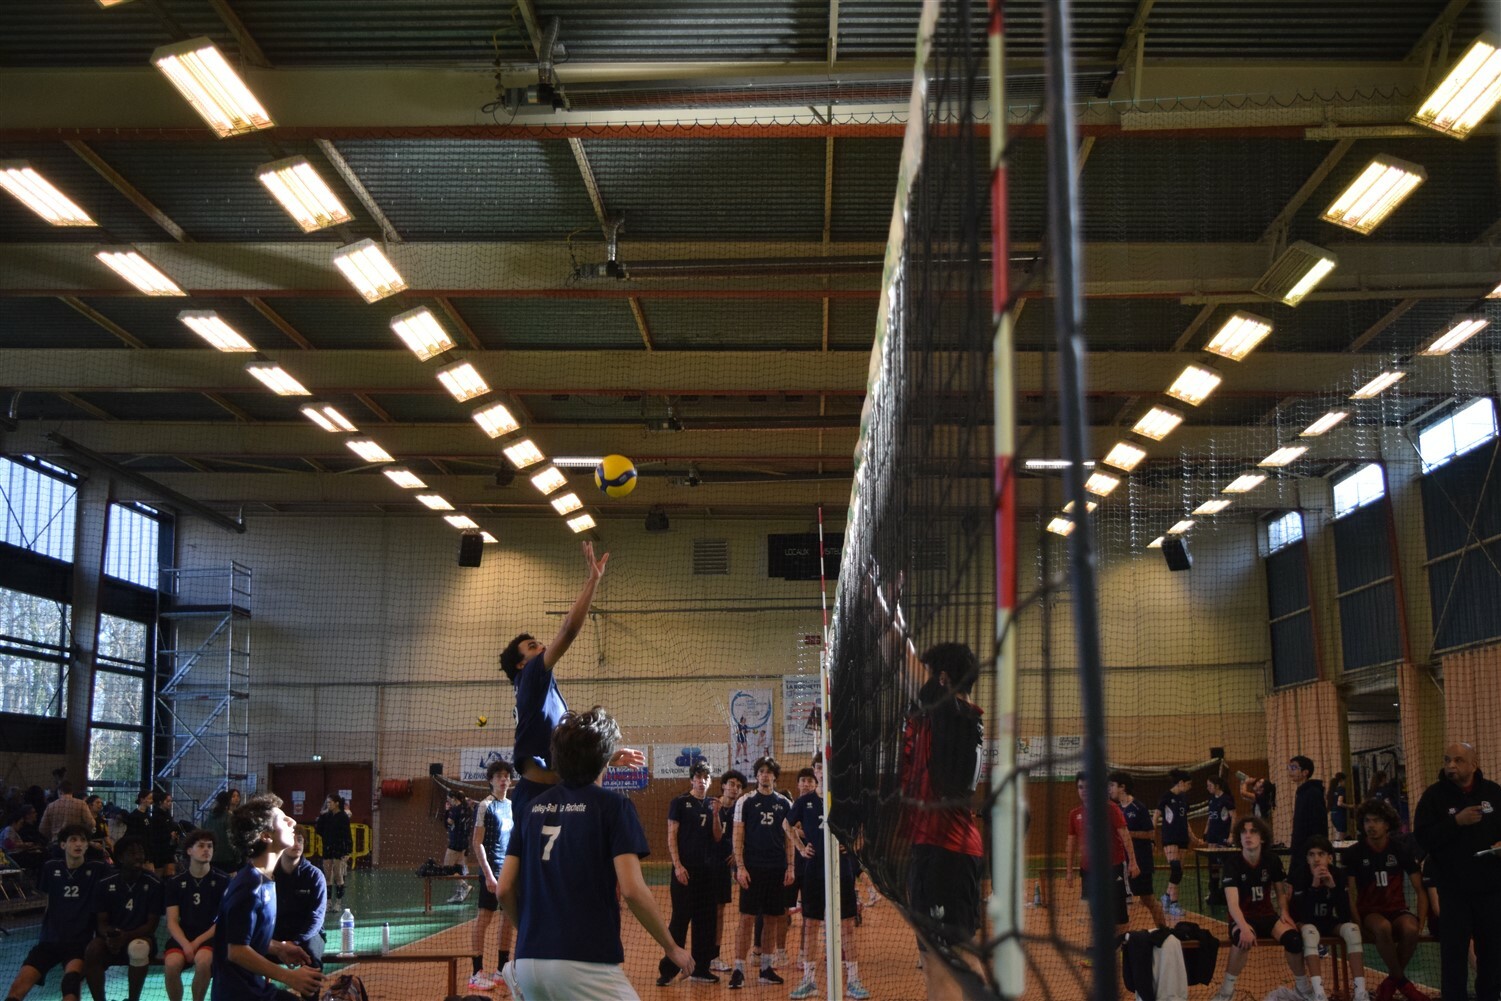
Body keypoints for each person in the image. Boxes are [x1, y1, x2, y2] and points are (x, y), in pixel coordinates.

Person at [498, 706, 691, 999]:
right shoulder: (613, 806)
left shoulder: (530, 810)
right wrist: (671, 947)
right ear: (604, 759)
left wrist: (530, 936)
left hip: (527, 963)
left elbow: (504, 889)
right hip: (584, 963)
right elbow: (632, 890)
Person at [499, 543, 644, 822]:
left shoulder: (545, 691)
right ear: (520, 663)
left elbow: (563, 752)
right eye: (532, 646)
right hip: (538, 796)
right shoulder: (530, 676)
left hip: (559, 791)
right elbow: (568, 630)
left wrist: (606, 758)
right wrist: (593, 580)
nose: (542, 647)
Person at [900, 640, 988, 1000]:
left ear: (943, 679)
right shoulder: (958, 719)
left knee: (944, 961)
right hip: (945, 850)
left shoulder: (951, 712)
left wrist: (878, 609)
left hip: (944, 852)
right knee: (948, 957)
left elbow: (900, 655)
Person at [212, 793, 324, 1001]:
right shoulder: (249, 887)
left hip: (255, 989)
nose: (292, 821)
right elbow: (236, 950)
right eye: (282, 819)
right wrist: (289, 976)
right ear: (266, 836)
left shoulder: (265, 880)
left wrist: (278, 947)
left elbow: (246, 936)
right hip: (239, 995)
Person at [1413, 741, 1501, 1001]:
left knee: (1492, 953)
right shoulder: (1434, 797)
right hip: (1453, 891)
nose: (1451, 765)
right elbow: (1423, 837)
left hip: (1490, 889)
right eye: (1447, 760)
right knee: (1453, 955)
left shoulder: (1493, 793)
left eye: (1458, 760)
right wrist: (1456, 822)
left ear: (1474, 764)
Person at [786, 756, 870, 1000]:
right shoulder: (804, 801)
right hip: (814, 871)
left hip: (841, 870)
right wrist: (801, 848)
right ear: (815, 772)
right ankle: (809, 980)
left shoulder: (845, 799)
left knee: (847, 926)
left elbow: (864, 827)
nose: (823, 772)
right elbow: (786, 825)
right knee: (811, 925)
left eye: (827, 767)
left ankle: (853, 981)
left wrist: (852, 845)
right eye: (819, 767)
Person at [2, 824, 107, 1001]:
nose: (78, 844)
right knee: (17, 988)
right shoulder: (51, 868)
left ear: (87, 845)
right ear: (63, 845)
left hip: (78, 943)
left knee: (70, 986)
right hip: (49, 941)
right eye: (73, 840)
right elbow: (48, 900)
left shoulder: (97, 869)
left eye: (83, 840)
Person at [1345, 798, 1428, 1001]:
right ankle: (1405, 986)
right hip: (1370, 911)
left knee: (1410, 928)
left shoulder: (1401, 849)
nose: (1371, 825)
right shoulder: (1354, 852)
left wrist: (1421, 921)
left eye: (1376, 820)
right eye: (1367, 821)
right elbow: (1350, 893)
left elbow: (1419, 889)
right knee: (1383, 927)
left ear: (1387, 824)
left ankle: (1390, 984)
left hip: (1397, 909)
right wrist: (1358, 923)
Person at [1210, 816, 1301, 1001]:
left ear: (1263, 837)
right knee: (1241, 940)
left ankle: (1303, 989)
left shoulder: (1272, 860)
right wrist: (1243, 927)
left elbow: (1281, 892)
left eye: (1253, 831)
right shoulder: (1232, 864)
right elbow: (1232, 904)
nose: (1248, 835)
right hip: (1243, 917)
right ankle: (1226, 992)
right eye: (1244, 832)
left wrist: (1284, 912)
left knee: (1294, 940)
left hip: (1267, 916)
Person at [656, 760, 723, 986]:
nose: (702, 781)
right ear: (692, 779)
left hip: (707, 873)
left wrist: (716, 815)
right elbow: (671, 835)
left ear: (710, 781)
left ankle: (701, 969)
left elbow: (717, 837)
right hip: (685, 872)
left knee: (706, 921)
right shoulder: (679, 802)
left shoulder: (713, 805)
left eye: (706, 777)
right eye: (698, 777)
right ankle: (668, 970)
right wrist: (677, 865)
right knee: (679, 920)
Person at [729, 755, 793, 989]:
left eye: (769, 772)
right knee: (746, 919)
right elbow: (738, 836)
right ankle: (738, 969)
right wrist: (740, 867)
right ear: (756, 776)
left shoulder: (785, 804)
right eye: (761, 772)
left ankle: (766, 968)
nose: (765, 775)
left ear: (775, 776)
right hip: (752, 869)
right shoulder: (745, 801)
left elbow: (789, 839)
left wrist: (791, 866)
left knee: (772, 919)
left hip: (776, 869)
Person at [1288, 835, 1370, 1001]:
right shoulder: (1299, 875)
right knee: (1310, 932)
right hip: (1306, 924)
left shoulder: (1338, 874)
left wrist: (1333, 887)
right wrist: (1314, 886)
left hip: (1328, 922)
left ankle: (1361, 993)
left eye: (1321, 854)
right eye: (1311, 854)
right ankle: (1319, 994)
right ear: (1307, 858)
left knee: (1352, 930)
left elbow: (1344, 915)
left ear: (1330, 858)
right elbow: (1304, 916)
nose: (1316, 859)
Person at [83, 835, 163, 1001]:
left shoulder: (154, 883)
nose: (138, 856)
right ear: (120, 857)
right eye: (132, 853)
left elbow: (151, 926)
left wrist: (125, 936)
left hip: (141, 937)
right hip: (111, 939)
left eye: (141, 852)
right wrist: (110, 936)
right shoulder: (104, 884)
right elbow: (101, 923)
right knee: (92, 950)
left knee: (138, 948)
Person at [1066, 772, 1138, 940]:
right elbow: (1071, 843)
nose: (1084, 790)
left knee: (1119, 913)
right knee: (1095, 912)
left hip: (1113, 868)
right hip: (1089, 871)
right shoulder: (1075, 814)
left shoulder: (1110, 808)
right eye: (1080, 787)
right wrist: (1069, 870)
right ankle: (1100, 947)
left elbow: (1125, 835)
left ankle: (1122, 948)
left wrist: (1133, 862)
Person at [468, 759, 517, 992]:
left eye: (507, 775)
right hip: (491, 871)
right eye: (499, 776)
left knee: (508, 919)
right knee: (484, 919)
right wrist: (488, 875)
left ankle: (501, 970)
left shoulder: (511, 805)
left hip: (509, 871)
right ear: (491, 780)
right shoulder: (485, 806)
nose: (503, 779)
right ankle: (476, 973)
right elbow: (477, 843)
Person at [164, 829, 229, 1001]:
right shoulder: (175, 882)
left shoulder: (223, 881)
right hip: (183, 936)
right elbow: (172, 921)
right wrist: (186, 944)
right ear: (189, 851)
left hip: (210, 936)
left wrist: (196, 943)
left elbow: (222, 921)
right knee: (171, 964)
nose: (206, 849)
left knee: (203, 961)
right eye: (201, 846)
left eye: (209, 846)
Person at [1108, 772, 1168, 927]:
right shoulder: (1116, 808)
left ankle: (1163, 930)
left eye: (1112, 785)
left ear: (1122, 787)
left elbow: (1150, 833)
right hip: (1122, 863)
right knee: (1118, 899)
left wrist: (1127, 833)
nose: (1109, 789)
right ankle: (1122, 932)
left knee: (1147, 899)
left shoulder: (1138, 807)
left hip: (1141, 861)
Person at [272, 830, 326, 970]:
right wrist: (277, 944)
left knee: (311, 956)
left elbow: (316, 917)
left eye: (300, 840)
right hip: (278, 933)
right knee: (253, 953)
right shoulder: (271, 875)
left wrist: (295, 942)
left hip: (308, 934)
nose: (297, 844)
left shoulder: (315, 875)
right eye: (292, 840)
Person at [711, 769, 746, 974]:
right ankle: (700, 956)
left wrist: (736, 851)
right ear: (723, 785)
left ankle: (714, 956)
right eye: (731, 784)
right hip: (705, 866)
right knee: (702, 912)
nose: (735, 789)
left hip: (723, 868)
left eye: (739, 786)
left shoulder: (740, 810)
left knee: (719, 911)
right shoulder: (710, 806)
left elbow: (743, 836)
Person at [1156, 768, 1197, 917]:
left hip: (1182, 838)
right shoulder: (1166, 796)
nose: (1190, 787)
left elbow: (1185, 820)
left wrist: (1193, 837)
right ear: (1181, 782)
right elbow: (1156, 815)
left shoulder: (1184, 798)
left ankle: (1166, 896)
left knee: (1179, 872)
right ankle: (1174, 903)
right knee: (1175, 869)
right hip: (1170, 837)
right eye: (1188, 784)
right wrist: (1151, 835)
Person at [1288, 756, 1328, 875]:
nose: (1290, 770)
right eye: (1289, 767)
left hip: (1309, 851)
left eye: (1294, 767)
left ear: (1305, 772)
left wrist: (1316, 851)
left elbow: (1318, 823)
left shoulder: (1312, 793)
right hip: (1301, 849)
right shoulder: (1302, 792)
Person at [1203, 773, 1237, 905]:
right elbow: (1210, 816)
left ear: (1217, 786)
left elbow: (1234, 816)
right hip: (1212, 835)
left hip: (1223, 835)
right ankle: (1213, 891)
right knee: (1213, 865)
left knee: (1225, 863)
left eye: (1210, 785)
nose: (1208, 788)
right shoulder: (1211, 799)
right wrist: (1206, 831)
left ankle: (1226, 892)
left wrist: (1231, 835)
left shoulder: (1226, 799)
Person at [312, 795, 352, 903]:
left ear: (337, 803)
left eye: (330, 802)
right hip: (327, 848)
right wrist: (321, 816)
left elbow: (347, 835)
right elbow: (319, 830)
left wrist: (348, 851)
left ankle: (338, 902)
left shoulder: (343, 816)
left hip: (339, 849)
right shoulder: (326, 816)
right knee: (328, 876)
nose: (328, 804)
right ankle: (328, 902)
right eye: (327, 803)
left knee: (338, 876)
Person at [442, 788, 474, 904]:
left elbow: (448, 823)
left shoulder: (455, 810)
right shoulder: (467, 809)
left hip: (455, 843)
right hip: (464, 843)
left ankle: (465, 886)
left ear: (454, 798)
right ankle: (459, 894)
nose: (448, 801)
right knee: (459, 869)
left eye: (449, 799)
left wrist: (446, 811)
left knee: (447, 869)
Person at [202, 792, 240, 874]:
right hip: (227, 859)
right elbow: (232, 840)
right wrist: (238, 857)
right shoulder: (228, 817)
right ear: (228, 802)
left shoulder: (208, 819)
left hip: (211, 858)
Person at [147, 790, 182, 877]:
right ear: (161, 802)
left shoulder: (168, 815)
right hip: (159, 850)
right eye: (168, 801)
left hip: (169, 849)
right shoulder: (156, 816)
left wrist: (175, 835)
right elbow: (155, 835)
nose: (170, 803)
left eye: (171, 801)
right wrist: (169, 835)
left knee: (170, 874)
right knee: (159, 874)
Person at [1329, 772, 1348, 838]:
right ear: (1342, 780)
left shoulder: (1333, 789)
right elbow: (1339, 803)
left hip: (1333, 815)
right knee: (1341, 837)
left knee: (1340, 834)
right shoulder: (1341, 789)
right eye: (1345, 781)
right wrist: (1351, 806)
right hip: (1340, 815)